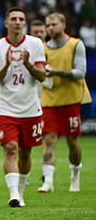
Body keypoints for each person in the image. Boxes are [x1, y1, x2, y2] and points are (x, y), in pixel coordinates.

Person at [0, 8, 46, 207]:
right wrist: (6, 64)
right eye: (13, 19)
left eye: (21, 19)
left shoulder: (35, 44)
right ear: (6, 23)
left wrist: (28, 63)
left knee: (26, 152)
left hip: (31, 108)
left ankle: (20, 192)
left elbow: (42, 76)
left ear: (25, 23)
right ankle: (13, 194)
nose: (18, 22)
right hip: (7, 108)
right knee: (11, 148)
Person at [38, 12, 92, 193]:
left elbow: (80, 72)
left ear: (63, 24)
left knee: (73, 142)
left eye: (53, 24)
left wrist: (56, 73)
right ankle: (48, 182)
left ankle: (75, 175)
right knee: (49, 140)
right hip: (50, 100)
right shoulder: (43, 48)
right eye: (48, 25)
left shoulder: (75, 44)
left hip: (71, 100)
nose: (50, 28)